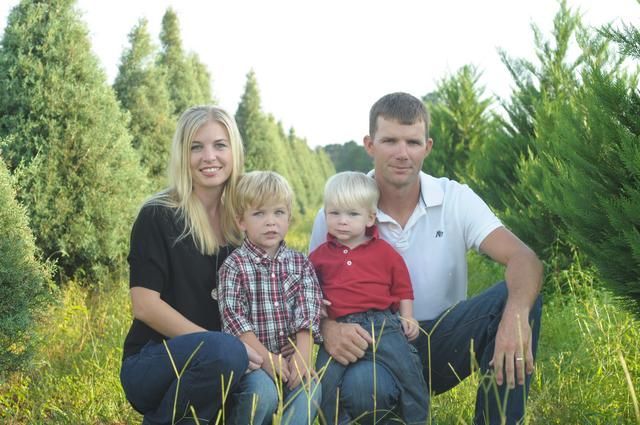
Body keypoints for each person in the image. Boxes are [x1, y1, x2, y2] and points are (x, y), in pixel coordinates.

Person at [309, 92, 544, 425]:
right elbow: (306, 297)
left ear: (427, 147)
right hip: (373, 348)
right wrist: (328, 329)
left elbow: (525, 258)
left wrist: (516, 315)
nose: (402, 153)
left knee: (518, 298)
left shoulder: (455, 199)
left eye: (413, 142)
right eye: (390, 140)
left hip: (442, 342)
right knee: (363, 385)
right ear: (370, 144)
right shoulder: (338, 214)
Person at [120, 106, 264, 425]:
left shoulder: (245, 221)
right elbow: (144, 306)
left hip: (221, 366)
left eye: (219, 145)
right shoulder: (157, 215)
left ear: (234, 151)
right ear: (182, 155)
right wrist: (218, 345)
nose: (208, 156)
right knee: (225, 354)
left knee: (262, 388)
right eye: (196, 147)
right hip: (153, 361)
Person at [310, 171, 429, 425]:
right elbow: (308, 290)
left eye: (352, 214)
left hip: (383, 325)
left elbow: (402, 287)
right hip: (340, 327)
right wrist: (317, 305)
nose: (342, 221)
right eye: (334, 213)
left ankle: (417, 420)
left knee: (408, 373)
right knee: (323, 382)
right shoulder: (319, 257)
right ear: (325, 213)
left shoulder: (385, 252)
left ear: (370, 217)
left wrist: (408, 316)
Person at [217, 171, 323, 425]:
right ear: (241, 221)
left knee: (312, 390)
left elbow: (308, 308)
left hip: (291, 359)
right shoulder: (234, 266)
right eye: (259, 214)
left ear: (289, 218)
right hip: (252, 363)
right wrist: (266, 358)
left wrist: (303, 355)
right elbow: (234, 320)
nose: (270, 222)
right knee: (262, 395)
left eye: (278, 213)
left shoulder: (300, 263)